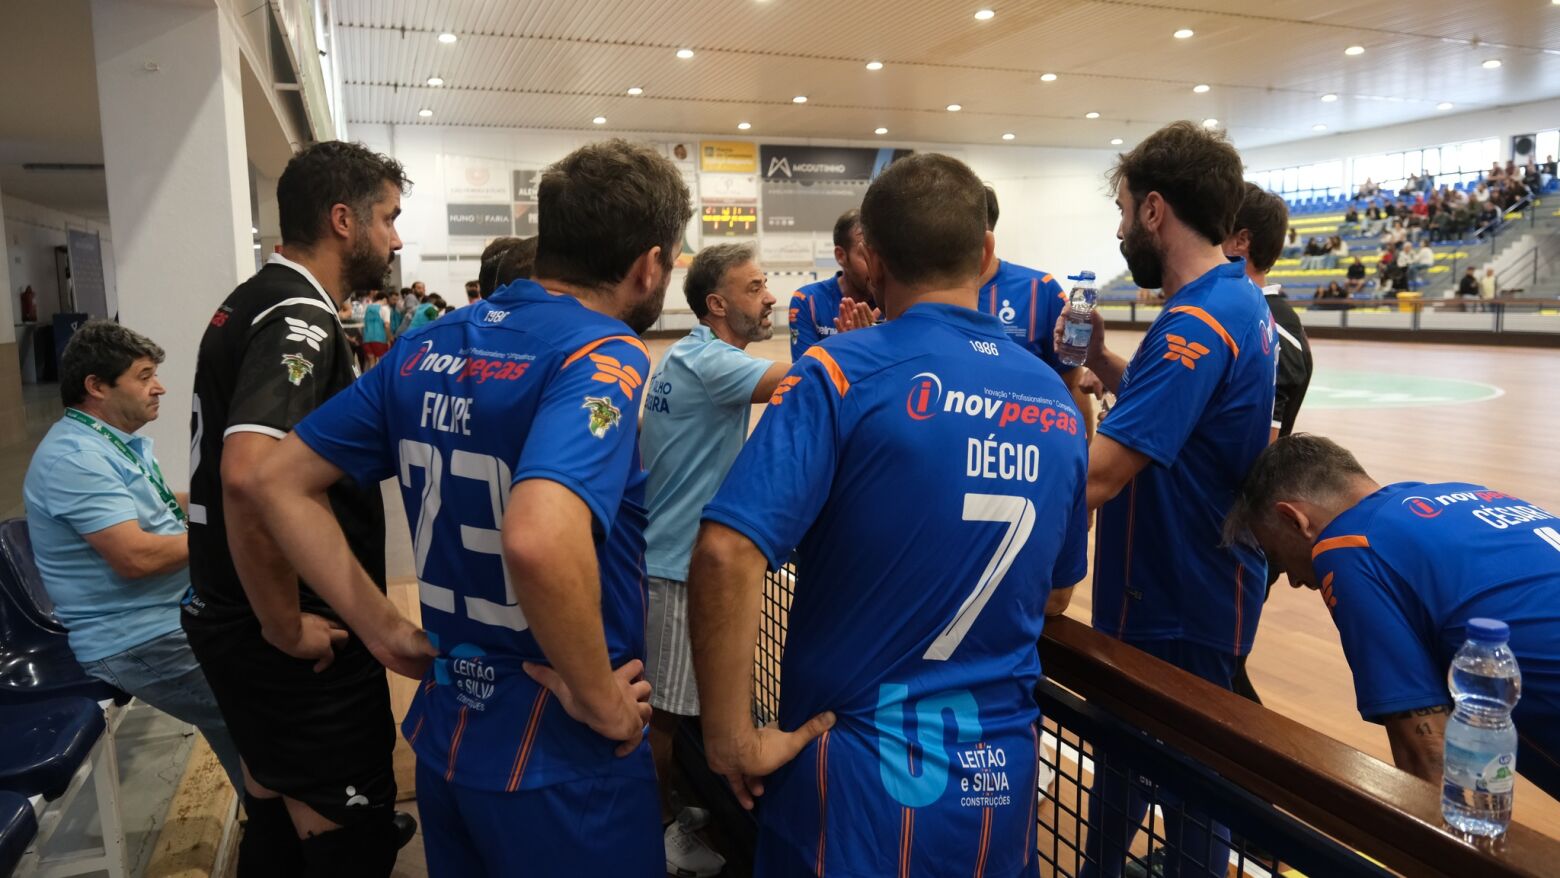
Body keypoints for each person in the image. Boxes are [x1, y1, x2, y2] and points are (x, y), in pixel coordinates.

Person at [250, 138, 693, 877]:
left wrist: (384, 631)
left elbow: (275, 481)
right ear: (649, 265)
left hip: (451, 737)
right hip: (563, 757)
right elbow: (538, 540)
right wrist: (603, 703)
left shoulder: (428, 343)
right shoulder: (602, 354)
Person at [689, 151, 1088, 876]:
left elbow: (725, 551)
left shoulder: (840, 371)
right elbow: (1057, 594)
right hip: (999, 789)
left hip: (851, 786)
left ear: (870, 261)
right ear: (987, 253)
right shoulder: (1057, 401)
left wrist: (730, 739)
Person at [182, 140, 416, 875]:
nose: (396, 239)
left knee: (276, 808)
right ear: (344, 220)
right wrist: (284, 624)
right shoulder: (298, 319)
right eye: (388, 218)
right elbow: (250, 477)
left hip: (235, 612)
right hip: (289, 633)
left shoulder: (254, 299)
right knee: (349, 840)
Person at [1062, 121, 1275, 878]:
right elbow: (1179, 420)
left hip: (1177, 593)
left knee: (1188, 792)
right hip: (1188, 585)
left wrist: (987, 472)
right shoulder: (1233, 297)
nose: (1121, 230)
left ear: (1154, 210)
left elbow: (1099, 476)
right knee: (1139, 769)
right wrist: (1101, 359)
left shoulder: (1198, 320)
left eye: (1124, 211)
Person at [1224, 434, 1560, 800]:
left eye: (1276, 556)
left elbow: (1428, 759)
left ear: (1294, 519)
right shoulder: (1469, 494)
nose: (1292, 580)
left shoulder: (1347, 547)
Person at [23, 321, 244, 796]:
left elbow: (162, 507)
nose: (159, 387)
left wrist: (231, 499)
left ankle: (282, 818)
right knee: (257, 711)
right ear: (96, 386)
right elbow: (136, 558)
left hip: (173, 612)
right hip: (137, 636)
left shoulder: (109, 442)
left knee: (270, 683)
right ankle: (287, 827)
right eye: (144, 376)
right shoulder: (75, 458)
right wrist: (230, 533)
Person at [640, 243, 788, 877]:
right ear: (717, 304)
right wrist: (867, 344)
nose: (770, 297)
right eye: (755, 287)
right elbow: (803, 382)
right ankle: (654, 839)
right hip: (677, 568)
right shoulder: (713, 362)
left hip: (664, 556)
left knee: (673, 711)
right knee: (661, 719)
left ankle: (663, 812)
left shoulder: (686, 353)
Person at [1221, 183, 1314, 706]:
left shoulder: (1272, 326)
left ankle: (1256, 761)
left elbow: (1256, 448)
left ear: (1240, 241)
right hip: (1225, 529)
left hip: (1239, 534)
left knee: (1221, 675)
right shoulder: (1248, 312)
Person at [978, 184, 1099, 436]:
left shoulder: (1039, 289)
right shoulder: (924, 293)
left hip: (1026, 445)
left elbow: (1072, 382)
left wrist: (1084, 450)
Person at [787, 209, 875, 360]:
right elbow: (806, 371)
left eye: (881, 254)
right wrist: (850, 345)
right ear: (841, 256)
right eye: (865, 255)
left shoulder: (894, 301)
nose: (877, 265)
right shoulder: (807, 300)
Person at [361, 290, 392, 369]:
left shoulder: (367, 308)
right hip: (380, 339)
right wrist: (389, 338)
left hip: (367, 338)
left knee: (372, 363)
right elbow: (387, 325)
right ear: (384, 299)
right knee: (382, 363)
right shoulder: (384, 308)